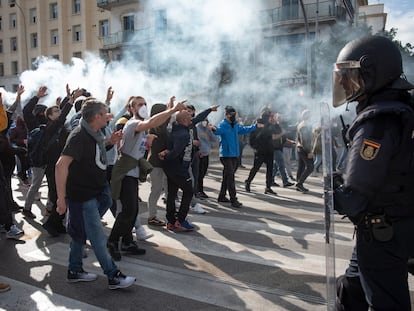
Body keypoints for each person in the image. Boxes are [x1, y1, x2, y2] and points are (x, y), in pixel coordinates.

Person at [332, 35, 414, 310]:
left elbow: (354, 197)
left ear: (371, 72)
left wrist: (332, 191)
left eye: (349, 75)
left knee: (386, 303)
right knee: (350, 288)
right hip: (395, 224)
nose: (343, 82)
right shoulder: (402, 109)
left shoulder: (376, 122)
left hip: (382, 232)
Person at [55, 98, 135, 289]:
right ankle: (113, 275)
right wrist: (60, 199)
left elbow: (95, 151)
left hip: (94, 191)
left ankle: (74, 270)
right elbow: (61, 166)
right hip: (83, 195)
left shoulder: (94, 133)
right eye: (105, 113)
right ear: (97, 116)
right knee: (97, 236)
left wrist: (110, 142)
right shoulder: (79, 136)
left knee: (79, 234)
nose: (109, 116)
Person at [107, 96, 185, 261]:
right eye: (139, 104)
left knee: (132, 210)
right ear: (132, 109)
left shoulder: (141, 128)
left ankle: (127, 242)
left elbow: (151, 129)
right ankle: (112, 242)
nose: (143, 107)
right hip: (126, 173)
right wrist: (171, 110)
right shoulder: (134, 123)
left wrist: (148, 141)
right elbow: (151, 123)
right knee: (127, 211)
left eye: (144, 104)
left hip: (132, 172)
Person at [212, 105, 259, 207]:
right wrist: (213, 128)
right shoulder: (223, 125)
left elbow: (244, 129)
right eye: (232, 114)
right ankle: (234, 199)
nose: (234, 116)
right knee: (230, 177)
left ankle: (221, 196)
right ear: (227, 115)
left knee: (226, 176)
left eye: (235, 114)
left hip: (234, 155)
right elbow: (217, 131)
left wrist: (255, 126)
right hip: (226, 155)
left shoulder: (235, 125)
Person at [244, 108, 277, 195]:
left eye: (268, 113)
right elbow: (252, 136)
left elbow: (275, 133)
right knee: (256, 168)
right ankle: (248, 182)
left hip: (269, 150)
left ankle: (268, 187)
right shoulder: (257, 123)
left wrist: (274, 124)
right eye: (265, 113)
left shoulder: (270, 124)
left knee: (270, 169)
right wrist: (254, 147)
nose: (267, 115)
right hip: (260, 150)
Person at [295, 109, 314, 193]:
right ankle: (299, 183)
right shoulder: (305, 126)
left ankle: (299, 183)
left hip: (300, 147)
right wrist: (309, 151)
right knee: (310, 167)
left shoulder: (301, 124)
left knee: (301, 167)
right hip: (304, 148)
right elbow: (305, 140)